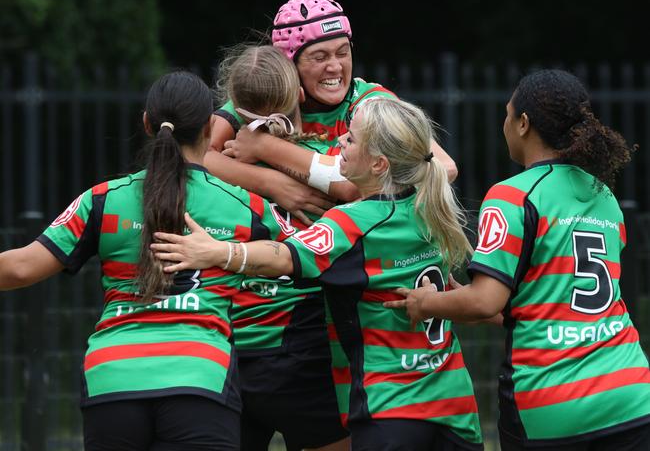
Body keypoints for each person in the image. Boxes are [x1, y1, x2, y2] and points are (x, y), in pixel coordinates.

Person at [152, 97, 484, 451]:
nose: (340, 140)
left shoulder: (354, 223)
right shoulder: (428, 206)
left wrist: (219, 251)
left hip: (390, 405)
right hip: (456, 405)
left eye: (351, 139)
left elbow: (284, 257)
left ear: (379, 164)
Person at [0, 71, 284, 450]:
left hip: (112, 379)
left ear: (147, 123)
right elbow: (305, 257)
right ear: (208, 129)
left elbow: (19, 268)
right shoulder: (244, 205)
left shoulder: (102, 200)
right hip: (199, 376)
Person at [385, 70, 650, 450]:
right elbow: (559, 305)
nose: (504, 123)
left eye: (507, 114)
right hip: (630, 394)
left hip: (552, 403)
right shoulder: (602, 194)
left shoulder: (513, 195)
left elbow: (483, 301)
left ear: (523, 124)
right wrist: (459, 303)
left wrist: (426, 303)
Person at [206, 0, 458, 225]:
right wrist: (273, 184)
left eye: (342, 53)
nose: (335, 67)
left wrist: (265, 147)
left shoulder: (369, 102)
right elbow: (195, 156)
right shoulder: (268, 94)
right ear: (288, 65)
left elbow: (445, 167)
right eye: (320, 57)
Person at [215, 44, 351, 451]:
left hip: (227, 347)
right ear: (300, 95)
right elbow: (366, 184)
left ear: (233, 104)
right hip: (304, 347)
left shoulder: (210, 172)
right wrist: (279, 180)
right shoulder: (325, 162)